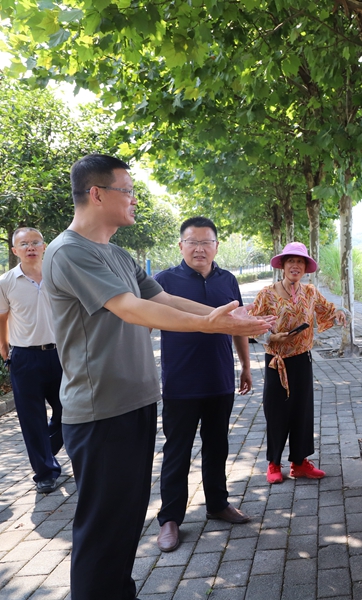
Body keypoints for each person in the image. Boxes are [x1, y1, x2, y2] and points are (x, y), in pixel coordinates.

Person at [43, 154, 273, 600]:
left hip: (136, 402)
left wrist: (229, 319)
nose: (133, 200)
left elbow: (164, 298)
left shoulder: (116, 253)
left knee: (125, 524)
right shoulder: (69, 251)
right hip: (99, 411)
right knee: (102, 530)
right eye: (126, 190)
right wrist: (214, 325)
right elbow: (132, 309)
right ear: (96, 194)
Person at [154, 216, 253, 553]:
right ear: (180, 245)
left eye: (206, 242)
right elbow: (144, 326)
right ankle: (169, 519)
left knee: (217, 446)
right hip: (180, 383)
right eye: (192, 242)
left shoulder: (229, 280)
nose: (199, 248)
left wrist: (245, 367)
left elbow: (238, 326)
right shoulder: (163, 281)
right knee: (176, 452)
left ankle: (218, 503)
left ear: (216, 246)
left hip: (219, 380)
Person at [249, 241, 346, 484]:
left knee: (302, 412)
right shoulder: (267, 294)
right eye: (291, 261)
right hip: (276, 362)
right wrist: (270, 337)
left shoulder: (311, 292)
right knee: (276, 412)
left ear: (305, 268)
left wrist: (340, 313)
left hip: (302, 360)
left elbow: (328, 310)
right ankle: (273, 463)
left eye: (300, 262)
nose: (295, 265)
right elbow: (250, 326)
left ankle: (300, 462)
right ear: (282, 265)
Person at [0, 227, 64, 493]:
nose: (30, 247)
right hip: (25, 357)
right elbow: (1, 319)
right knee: (31, 417)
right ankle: (45, 472)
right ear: (15, 250)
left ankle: (44, 453)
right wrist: (4, 349)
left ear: (44, 246)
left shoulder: (59, 275)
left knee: (68, 411)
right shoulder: (5, 282)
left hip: (61, 354)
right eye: (24, 244)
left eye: (35, 242)